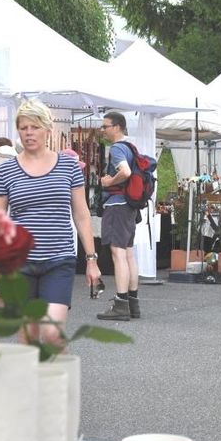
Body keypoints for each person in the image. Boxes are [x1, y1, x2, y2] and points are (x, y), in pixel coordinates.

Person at [0, 99, 100, 348]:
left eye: (35, 127)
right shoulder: (5, 171)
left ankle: (55, 385)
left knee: (52, 333)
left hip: (59, 259)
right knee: (28, 336)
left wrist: (92, 260)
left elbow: (81, 215)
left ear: (48, 129)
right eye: (24, 127)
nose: (29, 133)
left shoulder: (68, 166)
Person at [96, 112, 141, 321]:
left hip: (117, 205)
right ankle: (133, 302)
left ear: (117, 127)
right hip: (130, 206)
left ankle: (121, 304)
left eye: (105, 126)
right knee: (128, 253)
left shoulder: (116, 149)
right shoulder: (131, 147)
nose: (103, 130)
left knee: (118, 254)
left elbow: (125, 172)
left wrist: (108, 182)